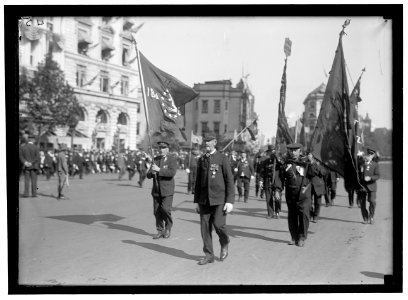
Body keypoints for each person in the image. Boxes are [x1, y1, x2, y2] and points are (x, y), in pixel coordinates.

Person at [194, 133, 235, 265]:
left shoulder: (222, 158)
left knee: (219, 225)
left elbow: (229, 181)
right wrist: (196, 202)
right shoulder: (201, 160)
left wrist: (229, 201)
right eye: (205, 141)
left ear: (215, 142)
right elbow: (198, 183)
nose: (206, 143)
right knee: (205, 228)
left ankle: (224, 242)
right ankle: (209, 255)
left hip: (219, 199)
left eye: (209, 141)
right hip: (204, 200)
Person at [277, 143, 319, 247]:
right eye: (291, 150)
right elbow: (280, 178)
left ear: (300, 151)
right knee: (292, 216)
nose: (293, 152)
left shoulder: (306, 162)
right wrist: (277, 190)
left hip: (304, 193)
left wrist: (312, 161)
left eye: (296, 150)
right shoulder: (285, 164)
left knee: (304, 214)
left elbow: (314, 172)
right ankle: (294, 237)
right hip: (291, 194)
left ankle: (302, 236)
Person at [146, 141, 178, 239]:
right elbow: (148, 175)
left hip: (167, 190)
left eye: (163, 148)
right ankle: (160, 230)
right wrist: (151, 170)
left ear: (167, 149)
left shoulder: (172, 159)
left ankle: (168, 227)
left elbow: (172, 173)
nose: (161, 150)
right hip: (156, 190)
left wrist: (159, 170)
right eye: (160, 148)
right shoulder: (155, 159)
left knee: (165, 209)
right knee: (156, 211)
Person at [259, 145, 283, 219]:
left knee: (277, 198)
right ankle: (270, 213)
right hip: (268, 182)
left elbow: (283, 164)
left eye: (273, 151)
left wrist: (277, 158)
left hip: (277, 182)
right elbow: (262, 172)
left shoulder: (279, 161)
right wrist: (261, 181)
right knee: (268, 199)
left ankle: (277, 211)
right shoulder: (265, 162)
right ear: (268, 153)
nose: (271, 153)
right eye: (270, 151)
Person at [358, 147, 380, 224]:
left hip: (372, 186)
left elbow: (377, 176)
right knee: (362, 204)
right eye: (368, 154)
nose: (369, 155)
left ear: (373, 156)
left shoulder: (375, 165)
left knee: (372, 201)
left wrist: (370, 178)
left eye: (371, 154)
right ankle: (365, 218)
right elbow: (357, 176)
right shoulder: (361, 164)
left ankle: (371, 216)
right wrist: (360, 172)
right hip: (362, 186)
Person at [308, 154, 327, 223]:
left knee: (318, 203)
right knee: (308, 203)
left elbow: (323, 172)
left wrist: (316, 166)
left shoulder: (320, 163)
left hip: (318, 185)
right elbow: (310, 173)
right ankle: (310, 214)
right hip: (309, 185)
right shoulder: (308, 163)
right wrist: (312, 164)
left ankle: (315, 216)